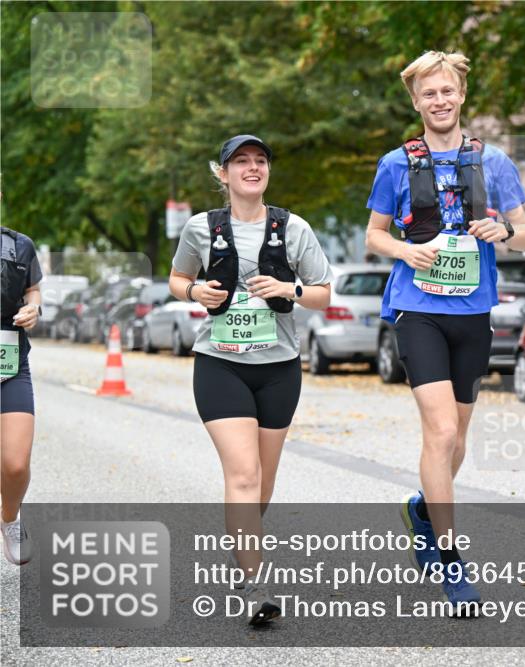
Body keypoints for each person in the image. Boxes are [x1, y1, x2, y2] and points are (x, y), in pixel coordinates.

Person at [365, 51, 525, 613]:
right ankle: (451, 556)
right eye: (428, 94)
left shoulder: (495, 162)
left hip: (473, 312)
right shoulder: (396, 163)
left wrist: (503, 228)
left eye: (447, 91)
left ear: (462, 96)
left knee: (457, 438)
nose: (439, 101)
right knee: (439, 432)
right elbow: (375, 236)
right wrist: (405, 250)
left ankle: (422, 508)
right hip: (417, 309)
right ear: (416, 102)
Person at [169, 135, 331, 625]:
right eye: (241, 161)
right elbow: (178, 279)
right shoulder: (202, 228)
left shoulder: (293, 227)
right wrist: (195, 289)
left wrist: (289, 288)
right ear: (223, 174)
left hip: (279, 367)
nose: (252, 168)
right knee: (242, 475)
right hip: (220, 364)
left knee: (261, 483)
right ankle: (256, 586)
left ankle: (242, 551)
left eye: (260, 160)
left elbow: (322, 293)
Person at [0, 216, 43, 566]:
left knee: (15, 465)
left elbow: (32, 292)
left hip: (9, 366)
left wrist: (33, 309)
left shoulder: (19, 245)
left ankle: (10, 518)